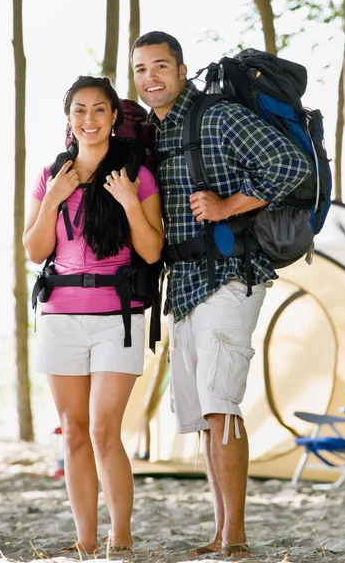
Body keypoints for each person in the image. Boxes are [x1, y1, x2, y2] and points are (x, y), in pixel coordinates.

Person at [131, 31, 312, 559]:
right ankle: (221, 533)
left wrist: (229, 204)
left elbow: (290, 165)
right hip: (185, 284)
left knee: (221, 406)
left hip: (231, 275)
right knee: (208, 412)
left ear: (182, 70)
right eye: (141, 70)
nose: (151, 78)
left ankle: (235, 538)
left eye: (161, 66)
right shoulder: (156, 130)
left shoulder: (216, 116)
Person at [23, 75, 164, 555]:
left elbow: (150, 250)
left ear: (113, 117)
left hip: (117, 318)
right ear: (69, 119)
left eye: (99, 110)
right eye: (79, 110)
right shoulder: (50, 176)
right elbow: (36, 248)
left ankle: (119, 533)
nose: (89, 119)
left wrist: (127, 203)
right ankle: (84, 541)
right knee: (75, 433)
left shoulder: (135, 177)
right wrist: (54, 201)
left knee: (104, 430)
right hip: (59, 316)